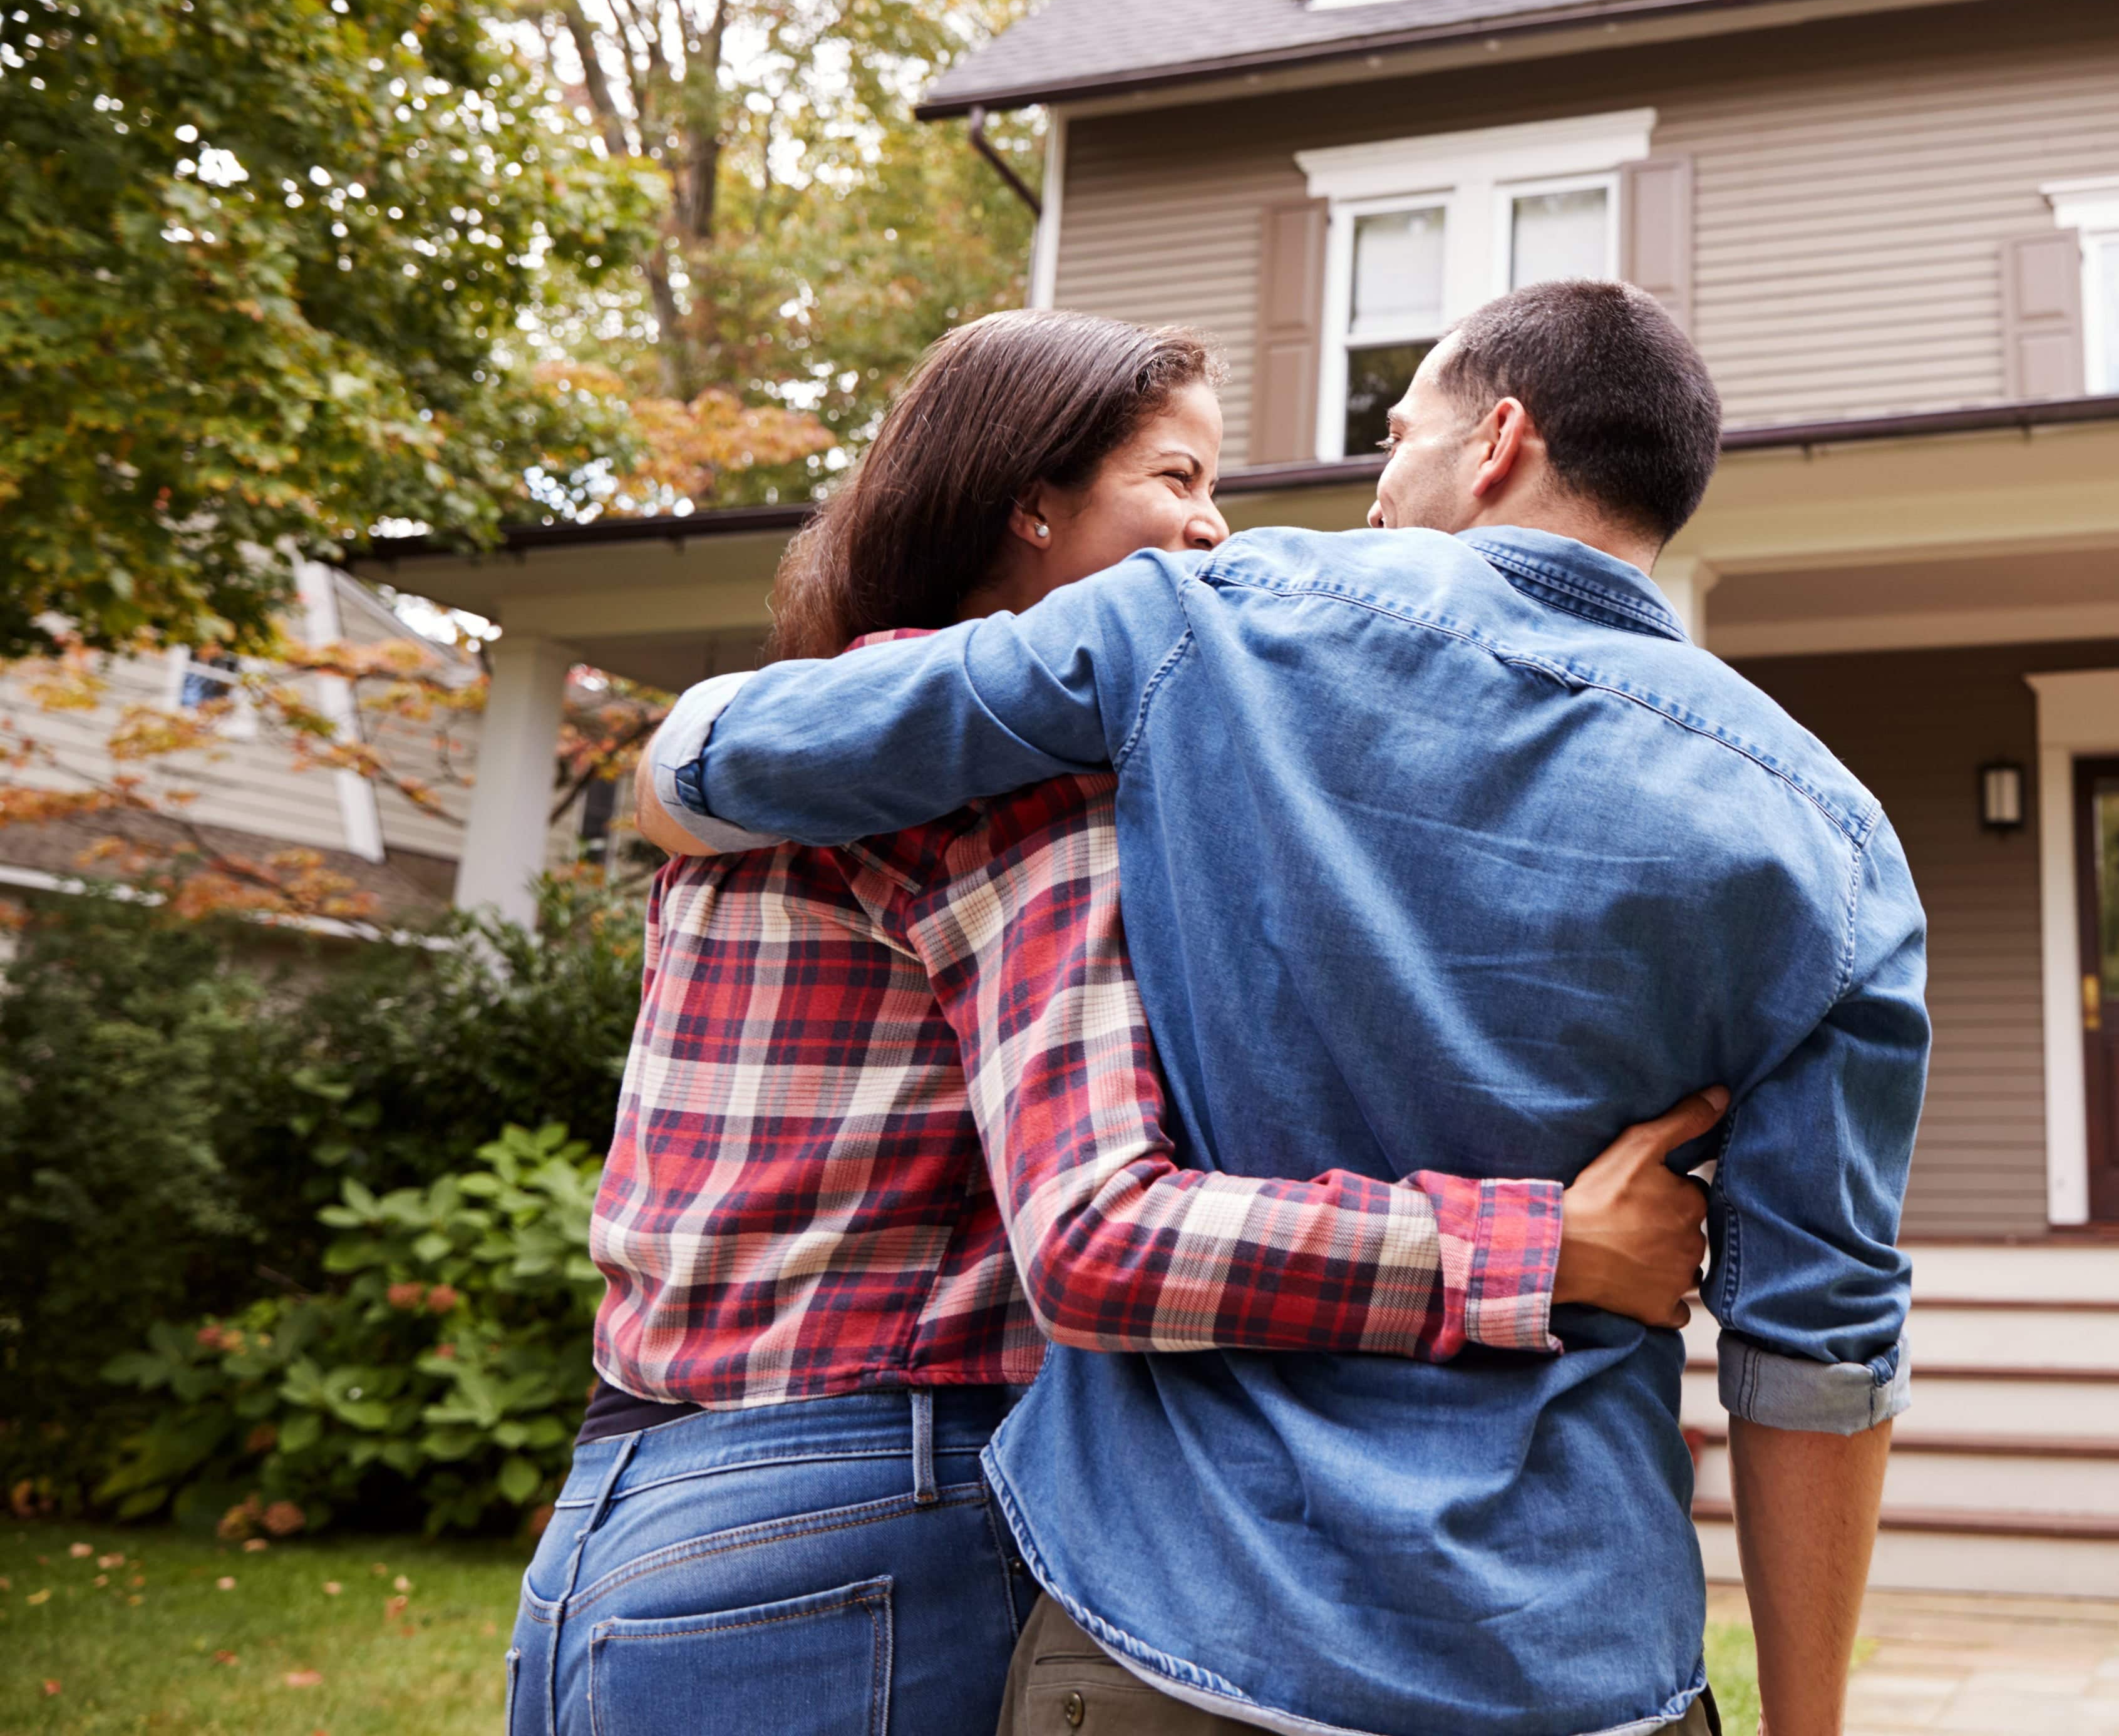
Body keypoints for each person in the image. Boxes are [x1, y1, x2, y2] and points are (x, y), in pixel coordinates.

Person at [639, 280, 1926, 1736]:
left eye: (1396, 438)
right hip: (1576, 1655)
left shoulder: (1203, 625)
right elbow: (1819, 1346)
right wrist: (1805, 1722)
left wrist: (674, 766)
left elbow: (737, 756)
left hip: (1183, 1631)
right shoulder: (1836, 839)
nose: (1373, 494)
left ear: (1495, 442)